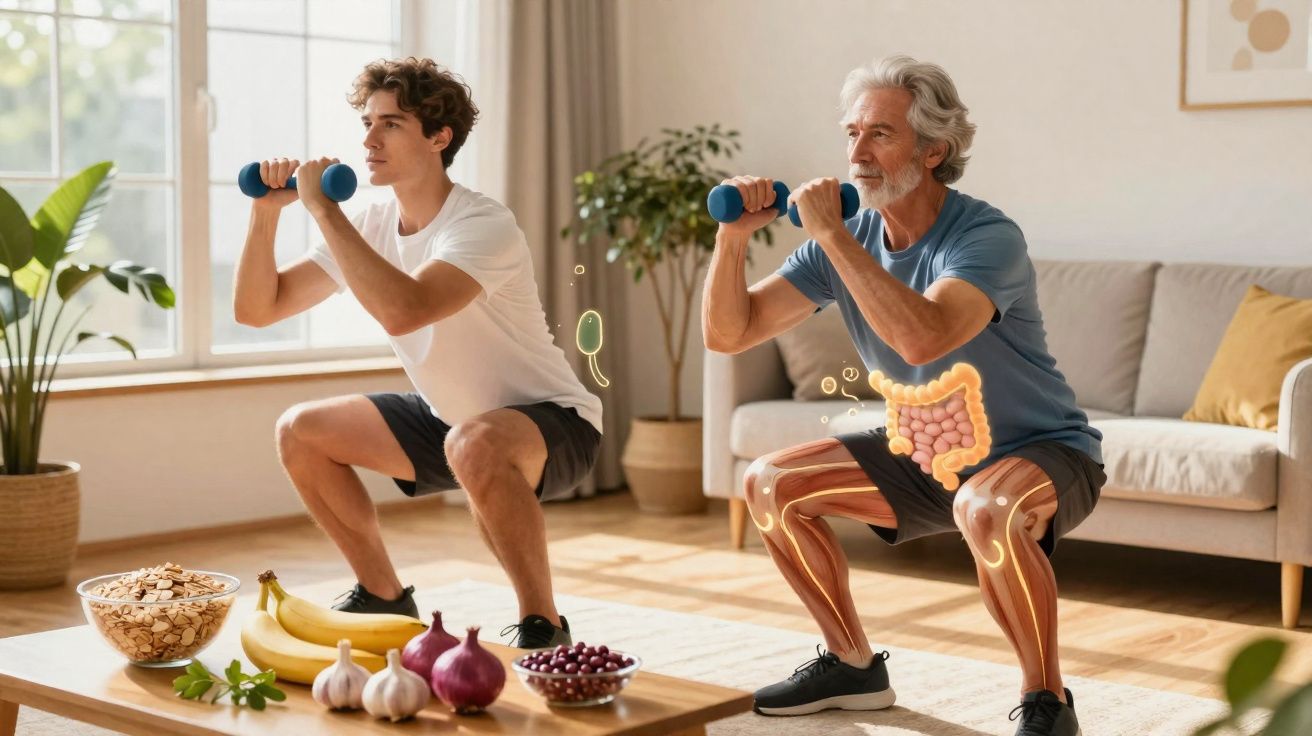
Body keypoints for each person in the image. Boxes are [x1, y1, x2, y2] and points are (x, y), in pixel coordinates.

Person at [702, 54, 1103, 736]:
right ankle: (852, 665)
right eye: (851, 133)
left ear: (934, 149)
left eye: (880, 134)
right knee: (770, 483)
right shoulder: (849, 241)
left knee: (987, 509)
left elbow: (927, 339)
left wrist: (829, 232)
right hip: (925, 456)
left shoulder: (985, 237)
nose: (857, 152)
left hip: (1042, 451)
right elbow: (730, 333)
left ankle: (1047, 701)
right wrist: (733, 239)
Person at [233, 57, 601, 650]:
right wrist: (265, 214)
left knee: (474, 440)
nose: (368, 140)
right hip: (448, 418)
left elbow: (407, 308)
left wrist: (323, 211)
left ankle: (543, 624)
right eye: (367, 121)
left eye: (391, 124)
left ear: (439, 137)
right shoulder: (371, 223)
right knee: (300, 430)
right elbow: (257, 309)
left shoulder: (482, 224)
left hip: (553, 422)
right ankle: (382, 593)